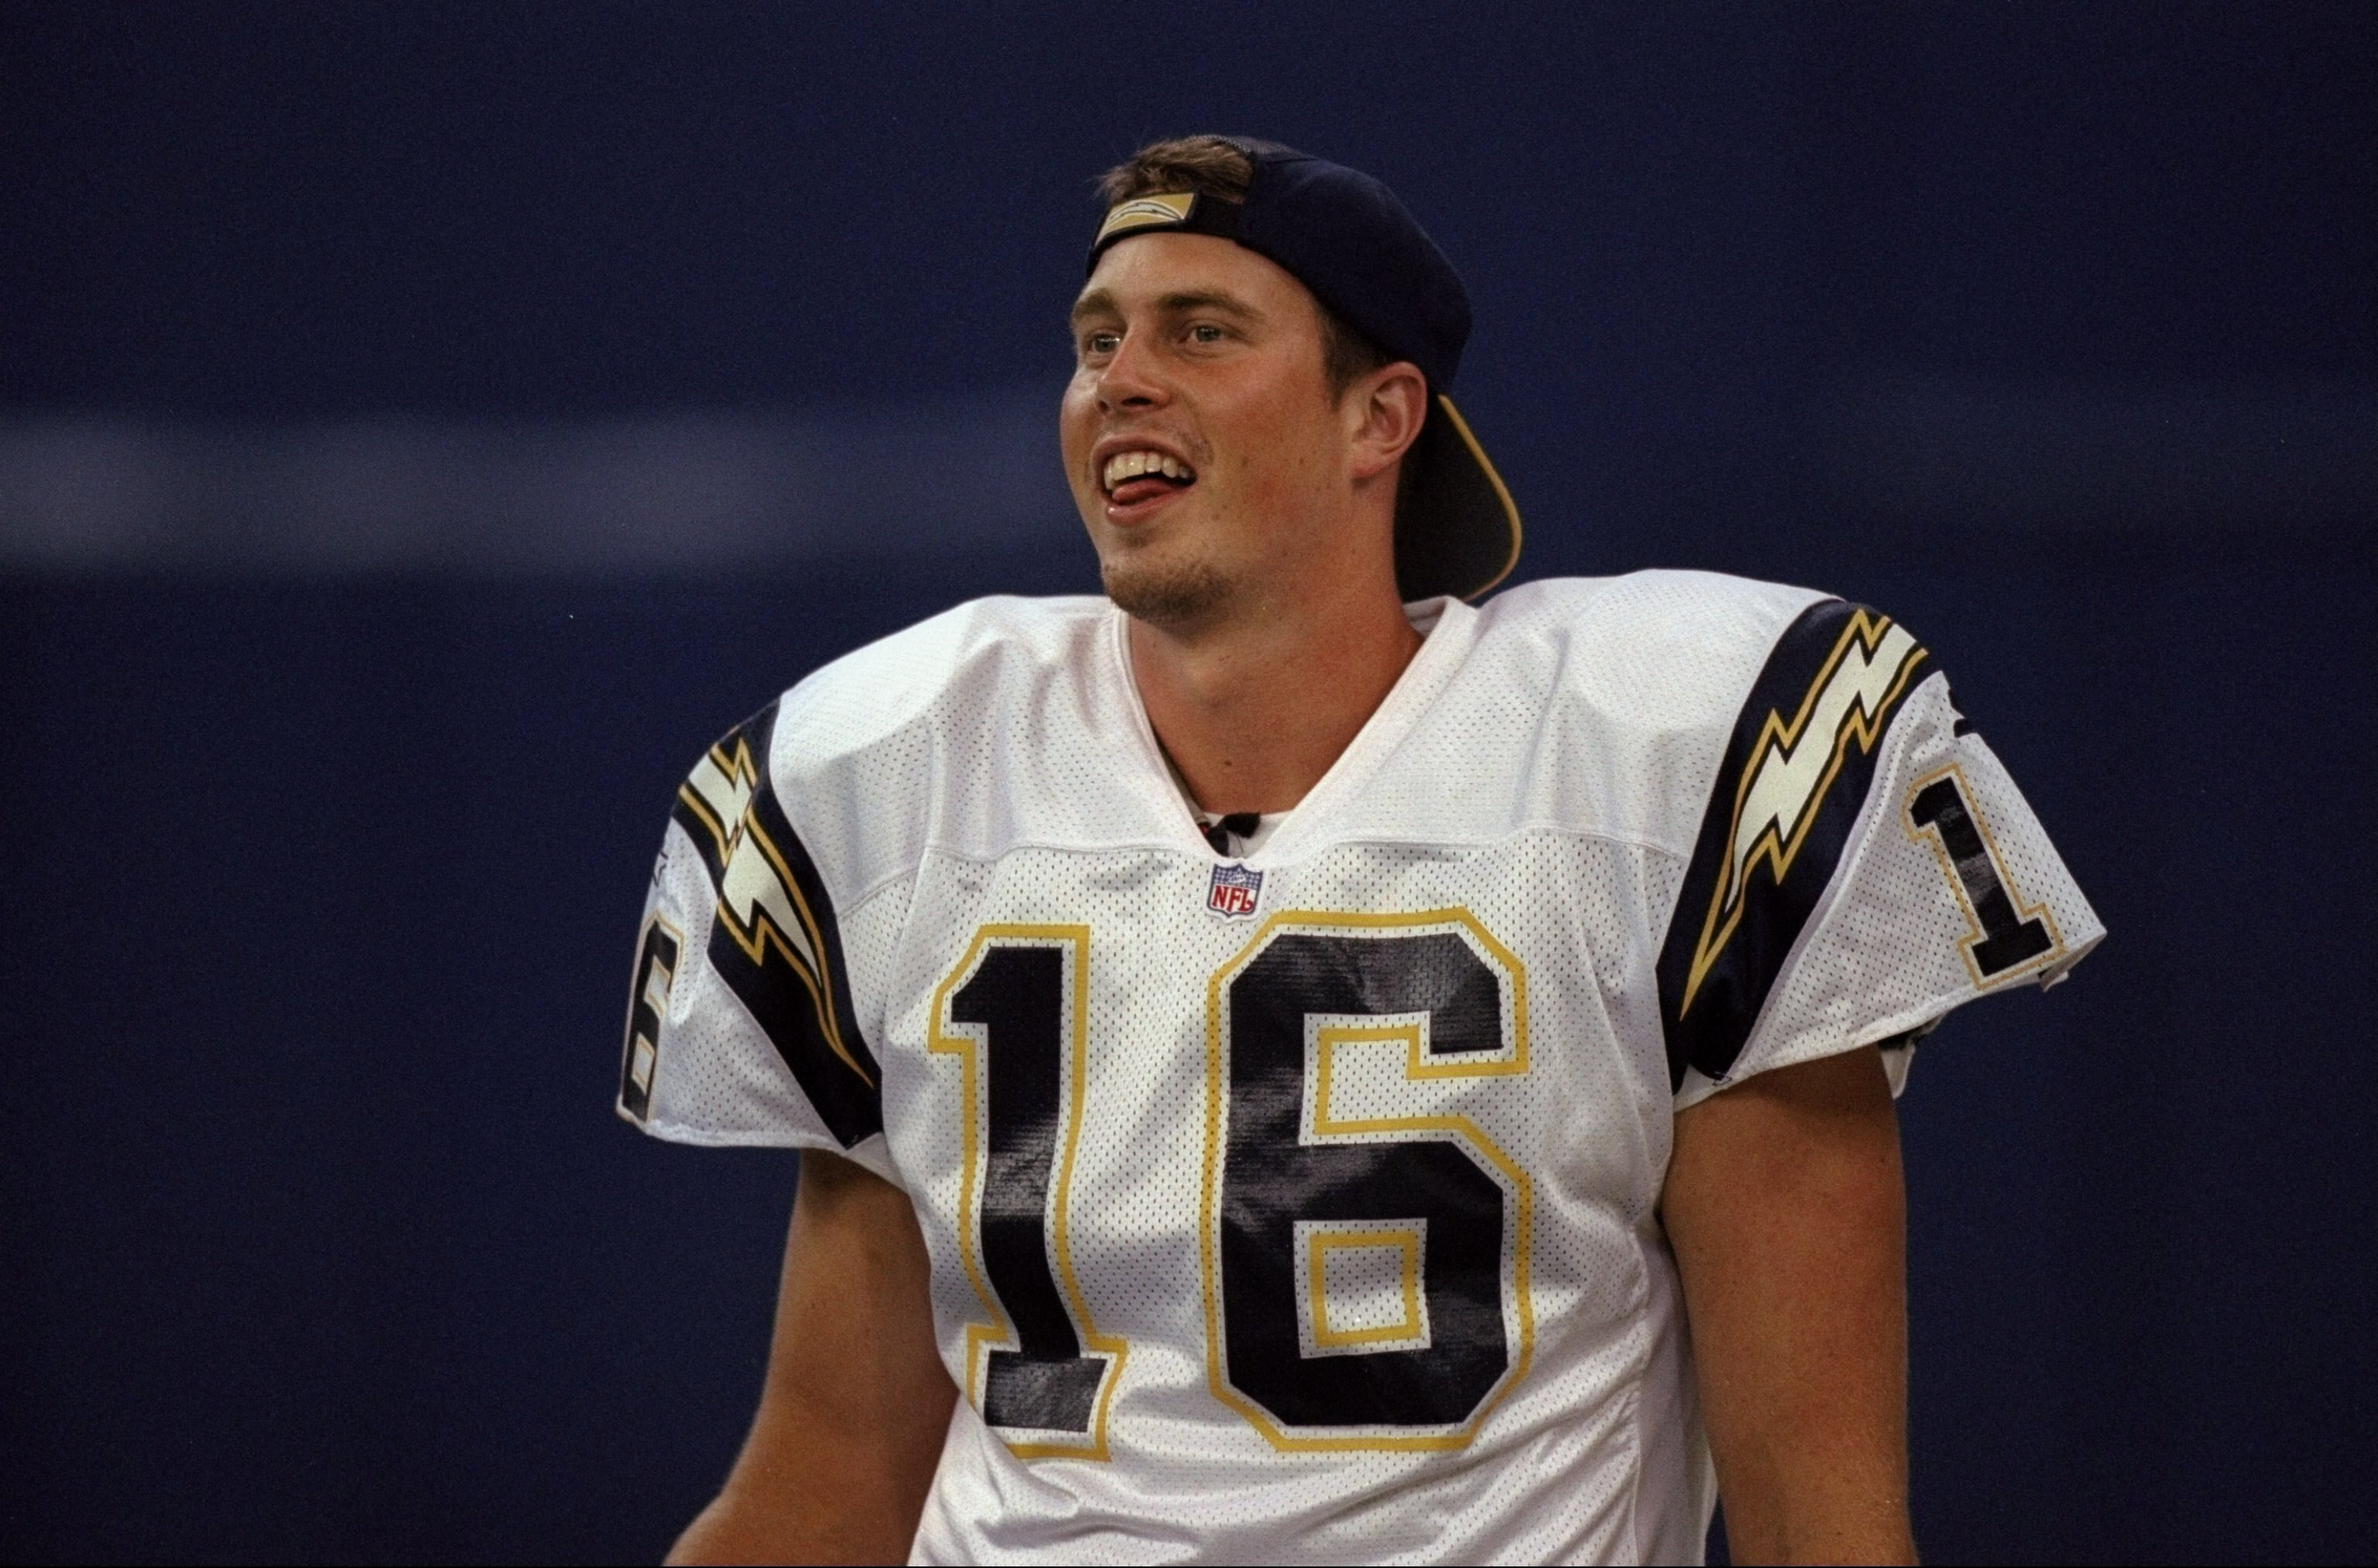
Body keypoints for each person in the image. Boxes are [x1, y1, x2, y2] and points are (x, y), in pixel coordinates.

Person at [616, 135, 2102, 1565]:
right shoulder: (898, 779)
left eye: (1201, 333)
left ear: (1380, 417)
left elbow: (1819, 1524)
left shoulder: (1671, 766)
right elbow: (821, 1490)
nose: (1120, 379)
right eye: (1095, 339)